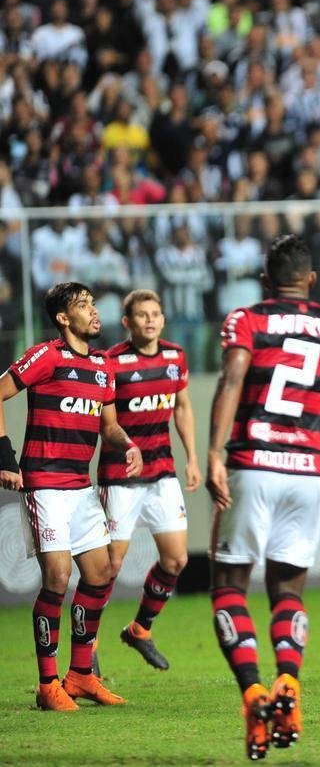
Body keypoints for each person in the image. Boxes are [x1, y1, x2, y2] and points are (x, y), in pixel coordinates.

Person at [206, 235, 320, 760]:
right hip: (308, 471)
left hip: (253, 462)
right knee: (288, 592)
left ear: (265, 280)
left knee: (230, 584)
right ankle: (289, 684)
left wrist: (214, 452)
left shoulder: (248, 320)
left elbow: (233, 378)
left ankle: (254, 692)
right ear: (311, 280)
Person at [0, 282, 142, 711]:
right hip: (43, 483)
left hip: (80, 487)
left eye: (93, 303)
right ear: (63, 318)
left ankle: (80, 675)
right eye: (84, 305)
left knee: (100, 575)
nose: (94, 311)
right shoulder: (47, 356)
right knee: (58, 578)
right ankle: (48, 686)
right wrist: (5, 456)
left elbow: (108, 426)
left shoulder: (103, 365)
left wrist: (128, 444)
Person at [100, 290, 200, 671]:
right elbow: (105, 423)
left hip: (162, 473)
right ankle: (86, 646)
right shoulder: (111, 362)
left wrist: (192, 458)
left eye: (156, 314)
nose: (150, 320)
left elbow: (183, 408)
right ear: (127, 322)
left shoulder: (175, 357)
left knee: (175, 559)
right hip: (120, 476)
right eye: (142, 315)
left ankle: (140, 629)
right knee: (108, 566)